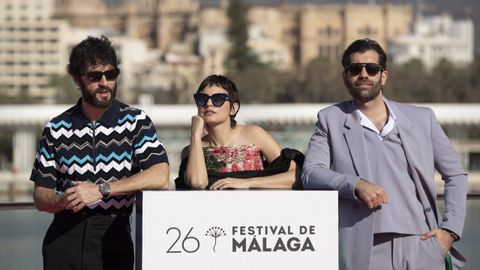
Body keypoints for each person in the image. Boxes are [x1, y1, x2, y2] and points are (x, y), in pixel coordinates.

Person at [302, 38, 467, 270]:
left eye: (371, 68)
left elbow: (456, 175)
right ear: (345, 77)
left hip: (422, 243)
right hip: (364, 250)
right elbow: (311, 174)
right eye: (354, 69)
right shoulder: (330, 120)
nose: (363, 74)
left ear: (383, 76)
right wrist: (355, 184)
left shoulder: (422, 119)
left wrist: (450, 230)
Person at [30, 35, 169, 270]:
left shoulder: (136, 121)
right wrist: (63, 199)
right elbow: (40, 195)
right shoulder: (55, 128)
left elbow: (161, 175)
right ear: (77, 78)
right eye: (94, 76)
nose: (104, 82)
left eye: (111, 74)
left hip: (114, 238)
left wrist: (101, 190)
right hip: (63, 240)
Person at [175, 74, 303, 190]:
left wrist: (248, 182)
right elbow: (198, 182)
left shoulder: (254, 135)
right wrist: (195, 136)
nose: (208, 104)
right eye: (202, 99)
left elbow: (296, 176)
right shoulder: (192, 150)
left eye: (218, 99)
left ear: (233, 108)